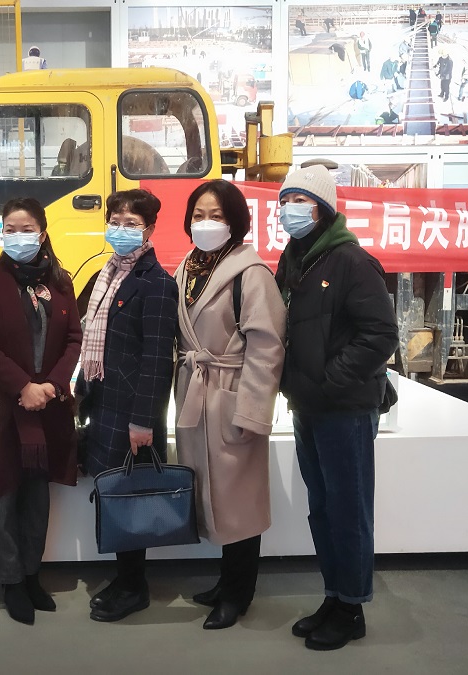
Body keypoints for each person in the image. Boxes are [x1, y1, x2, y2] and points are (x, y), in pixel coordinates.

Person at [275, 165, 398, 651]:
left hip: (344, 408)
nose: (288, 210)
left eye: (299, 201)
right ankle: (334, 595)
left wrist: (330, 381)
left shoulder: (352, 261)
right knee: (322, 509)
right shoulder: (294, 259)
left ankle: (352, 608)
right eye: (284, 201)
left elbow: (381, 334)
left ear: (322, 208)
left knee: (348, 510)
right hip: (308, 406)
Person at [0, 198, 82, 625]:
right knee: (1, 493)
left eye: (26, 228)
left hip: (47, 406)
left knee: (36, 495)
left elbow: (74, 340)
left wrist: (51, 385)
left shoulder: (60, 283)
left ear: (43, 233)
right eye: (9, 229)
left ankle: (31, 574)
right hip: (2, 407)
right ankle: (10, 581)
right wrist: (23, 386)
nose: (17, 236)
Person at [174, 180, 286, 630]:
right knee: (212, 493)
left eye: (217, 216)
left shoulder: (251, 273)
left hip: (232, 392)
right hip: (196, 392)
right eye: (199, 215)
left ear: (235, 222)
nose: (206, 223)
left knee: (238, 500)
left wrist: (253, 412)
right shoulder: (188, 267)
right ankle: (226, 582)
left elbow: (267, 346)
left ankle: (239, 593)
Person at [79, 189, 178, 623]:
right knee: (114, 495)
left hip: (133, 411)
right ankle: (124, 578)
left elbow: (158, 358)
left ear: (150, 229)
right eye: (115, 221)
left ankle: (135, 586)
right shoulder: (106, 274)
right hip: (106, 403)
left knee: (131, 499)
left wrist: (143, 421)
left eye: (131, 223)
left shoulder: (157, 283)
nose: (121, 230)